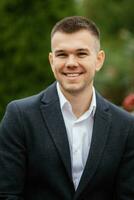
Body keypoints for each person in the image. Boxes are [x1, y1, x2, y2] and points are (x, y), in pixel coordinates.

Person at [0, 16, 134, 200]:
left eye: (81, 53)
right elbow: (6, 194)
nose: (71, 62)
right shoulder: (20, 117)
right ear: (51, 60)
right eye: (62, 54)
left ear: (99, 59)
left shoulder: (126, 126)